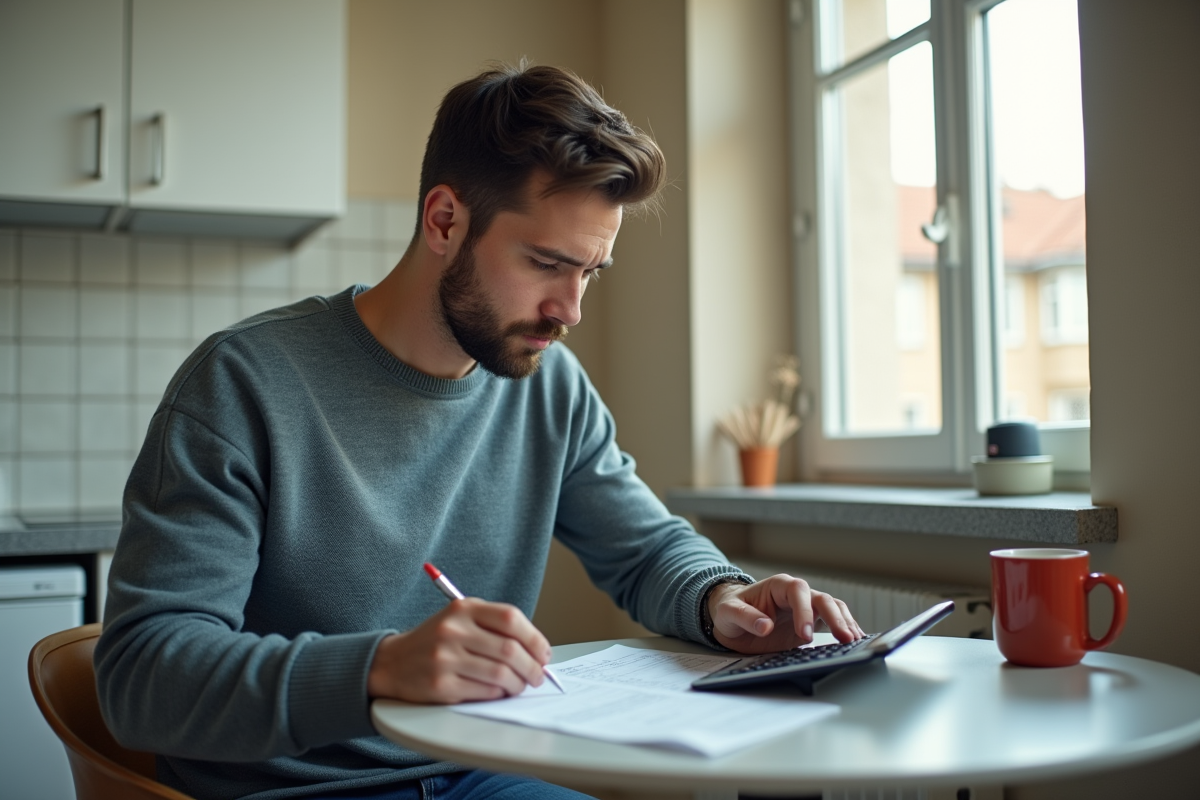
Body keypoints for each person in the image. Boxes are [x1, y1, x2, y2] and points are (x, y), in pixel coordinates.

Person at [95, 62, 863, 800]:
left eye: (591, 272)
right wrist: (381, 668)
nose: (571, 310)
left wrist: (722, 597)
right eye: (545, 263)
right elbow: (142, 678)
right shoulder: (243, 383)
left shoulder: (549, 385)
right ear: (444, 220)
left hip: (474, 771)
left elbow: (647, 548)